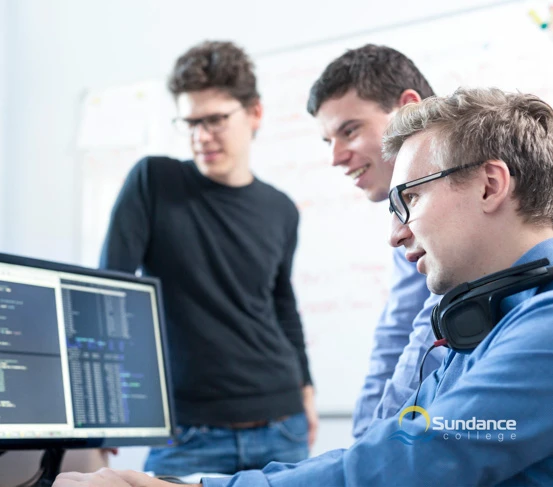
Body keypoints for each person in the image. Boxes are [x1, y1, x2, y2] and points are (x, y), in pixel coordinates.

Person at [55, 87, 553, 486]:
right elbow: (389, 450)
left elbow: (411, 462)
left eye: (411, 199)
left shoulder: (543, 328)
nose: (395, 232)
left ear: (490, 184)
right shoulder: (483, 319)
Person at [98, 40, 316, 476]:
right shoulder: (153, 182)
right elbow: (109, 293)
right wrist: (104, 408)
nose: (201, 136)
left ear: (254, 113)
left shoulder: (281, 209)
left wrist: (306, 387)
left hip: (282, 425)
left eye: (215, 120)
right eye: (190, 122)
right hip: (189, 432)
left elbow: (281, 306)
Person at [306, 44, 446, 438]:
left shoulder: (461, 206)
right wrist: (363, 442)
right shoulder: (407, 212)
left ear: (407, 108)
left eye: (349, 130)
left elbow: (425, 330)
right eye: (327, 141)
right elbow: (398, 330)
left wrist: (367, 447)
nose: (335, 157)